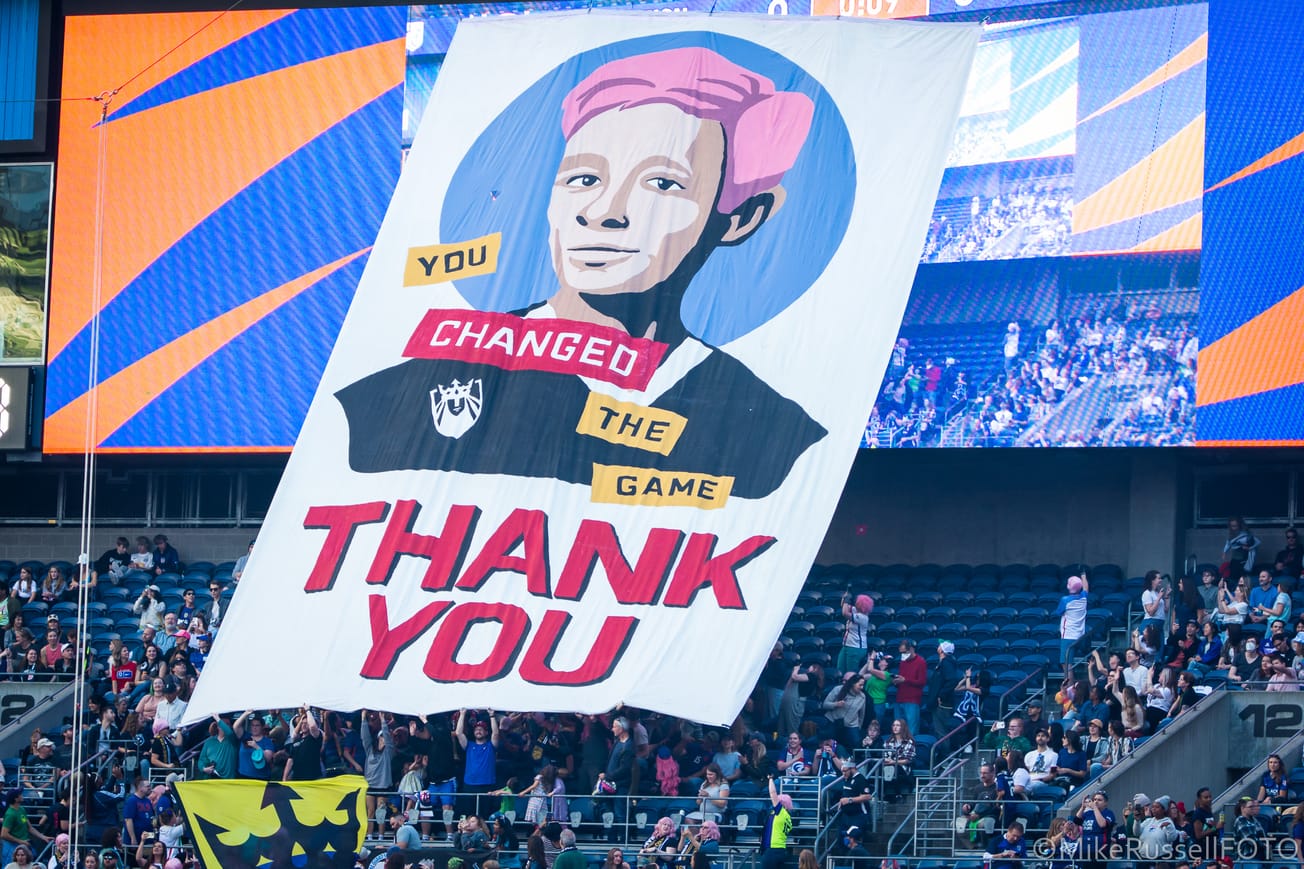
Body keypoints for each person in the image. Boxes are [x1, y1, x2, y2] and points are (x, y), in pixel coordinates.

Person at [337, 47, 827, 501]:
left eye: (662, 183)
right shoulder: (391, 402)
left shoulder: (774, 436)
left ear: (742, 218)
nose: (602, 211)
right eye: (583, 178)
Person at [457, 709, 499, 818]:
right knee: (469, 816)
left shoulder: (491, 746)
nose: (478, 731)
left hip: (486, 785)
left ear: (486, 732)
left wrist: (492, 716)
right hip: (469, 785)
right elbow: (458, 733)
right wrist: (462, 714)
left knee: (484, 816)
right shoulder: (469, 745)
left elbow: (496, 733)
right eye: (476, 729)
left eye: (481, 729)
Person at [892, 639, 927, 736]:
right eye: (901, 653)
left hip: (912, 700)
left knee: (912, 729)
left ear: (911, 649)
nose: (903, 655)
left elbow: (922, 682)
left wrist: (905, 680)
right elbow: (902, 677)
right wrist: (896, 681)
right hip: (900, 698)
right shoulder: (903, 662)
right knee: (898, 729)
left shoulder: (921, 662)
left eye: (904, 652)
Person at [1073, 790, 1115, 869]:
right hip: (1084, 849)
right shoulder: (1088, 813)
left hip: (1099, 850)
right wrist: (1083, 807)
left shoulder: (1108, 813)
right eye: (1094, 799)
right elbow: (1076, 820)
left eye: (1099, 800)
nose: (1096, 802)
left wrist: (1095, 808)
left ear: (1105, 803)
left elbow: (1103, 824)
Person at [1056, 575, 1090, 667]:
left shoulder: (1065, 600)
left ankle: (1070, 682)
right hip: (1080, 635)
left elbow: (1058, 612)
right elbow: (1086, 587)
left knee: (1066, 664)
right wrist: (1083, 575)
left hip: (1068, 635)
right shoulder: (1084, 597)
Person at [762, 776, 793, 869]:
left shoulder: (781, 812)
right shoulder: (788, 818)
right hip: (781, 850)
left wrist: (770, 779)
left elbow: (772, 793)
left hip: (772, 850)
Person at [882, 719, 915, 803]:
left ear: (903, 727)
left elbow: (907, 760)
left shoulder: (909, 742)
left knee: (894, 768)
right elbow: (884, 755)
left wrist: (893, 762)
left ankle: (897, 794)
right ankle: (882, 795)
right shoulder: (888, 742)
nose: (895, 727)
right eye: (893, 725)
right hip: (888, 766)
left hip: (903, 768)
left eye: (898, 725)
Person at [838, 595, 873, 675]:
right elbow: (843, 606)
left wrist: (847, 600)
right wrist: (845, 596)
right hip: (847, 645)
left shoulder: (863, 617)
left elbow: (845, 613)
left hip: (856, 647)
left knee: (850, 673)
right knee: (840, 670)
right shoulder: (856, 611)